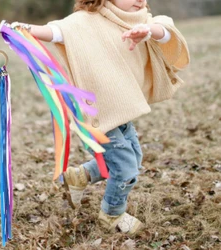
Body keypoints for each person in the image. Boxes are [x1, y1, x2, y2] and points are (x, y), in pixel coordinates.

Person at [12, 0, 190, 234]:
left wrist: (149, 31)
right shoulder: (85, 21)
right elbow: (57, 31)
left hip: (120, 110)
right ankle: (112, 214)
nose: (140, 1)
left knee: (134, 157)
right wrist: (24, 28)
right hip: (98, 114)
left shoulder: (140, 19)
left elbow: (165, 30)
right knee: (126, 169)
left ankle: (80, 175)